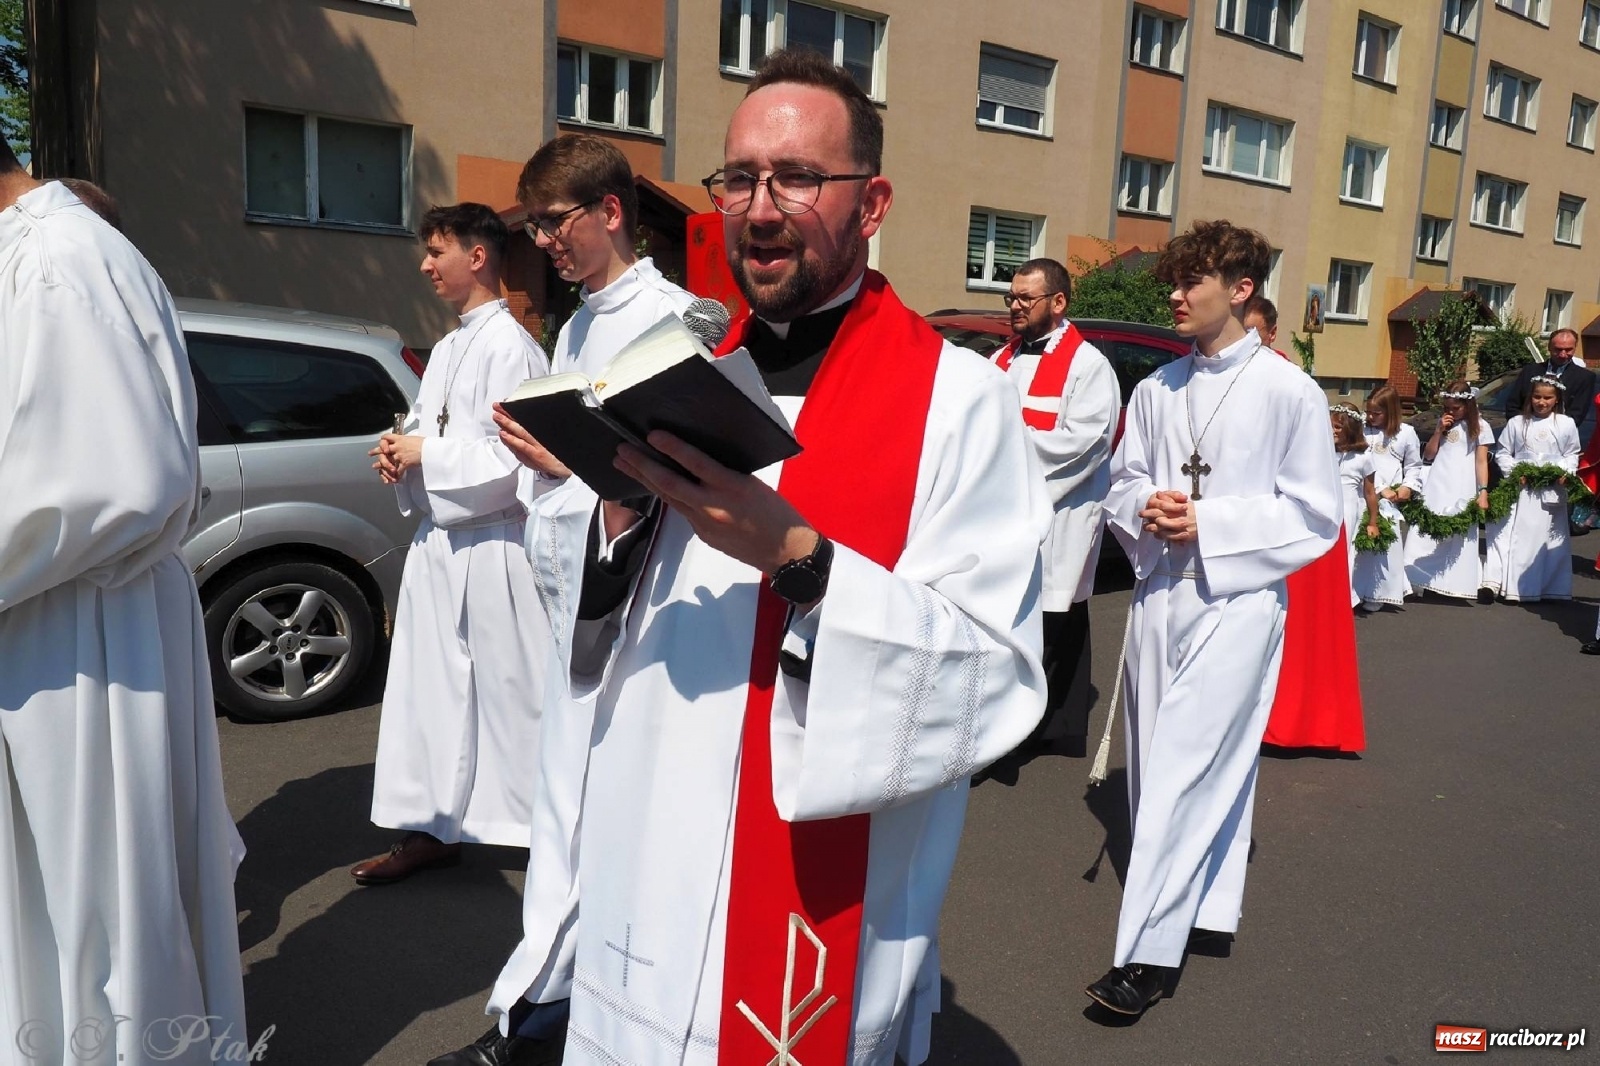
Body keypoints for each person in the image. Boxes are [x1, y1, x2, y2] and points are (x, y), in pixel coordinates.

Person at [487, 49, 1048, 1066]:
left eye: (796, 178)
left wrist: (799, 559)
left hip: (796, 893)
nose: (759, 207)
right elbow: (583, 591)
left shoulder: (958, 404)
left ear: (870, 201)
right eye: (739, 177)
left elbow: (992, 675)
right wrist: (610, 516)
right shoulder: (675, 365)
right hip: (642, 853)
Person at [430, 134, 696, 1066]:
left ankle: (539, 1024)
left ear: (610, 213)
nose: (541, 242)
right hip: (572, 601)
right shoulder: (578, 325)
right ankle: (543, 1014)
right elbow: (572, 475)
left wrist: (563, 465)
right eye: (536, 225)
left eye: (554, 222)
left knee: (607, 832)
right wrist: (550, 470)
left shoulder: (678, 321)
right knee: (567, 825)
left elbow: (675, 487)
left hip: (643, 617)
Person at [0, 144, 246, 1059]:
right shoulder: (33, 252)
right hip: (48, 613)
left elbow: (113, 478)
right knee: (50, 909)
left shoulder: (62, 256)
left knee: (97, 916)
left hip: (80, 633)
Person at [1089, 219, 1340, 1018]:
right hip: (1162, 598)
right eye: (1173, 280)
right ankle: (1202, 906)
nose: (1173, 294)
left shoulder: (1288, 392)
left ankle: (1147, 957)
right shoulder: (1156, 389)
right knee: (1170, 759)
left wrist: (1212, 523)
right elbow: (1119, 481)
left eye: (1189, 281)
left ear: (1239, 290)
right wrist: (1147, 503)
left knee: (1184, 767)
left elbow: (1314, 516)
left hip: (1236, 602)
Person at [353, 204, 552, 885]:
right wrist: (397, 454)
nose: (425, 264)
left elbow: (515, 461)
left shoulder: (514, 348)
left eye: (438, 250)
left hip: (494, 544)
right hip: (440, 543)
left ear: (478, 257)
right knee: (428, 694)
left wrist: (425, 455)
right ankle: (431, 824)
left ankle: (541, 832)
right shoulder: (445, 347)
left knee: (511, 692)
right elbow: (424, 429)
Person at [987, 257, 1120, 758]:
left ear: (1058, 302)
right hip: (1005, 518)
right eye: (1012, 297)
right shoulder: (1001, 359)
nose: (1015, 306)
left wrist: (1005, 461)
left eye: (1026, 298)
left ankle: (1049, 729)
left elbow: (1083, 445)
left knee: (1055, 624)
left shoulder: (1088, 367)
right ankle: (1012, 724)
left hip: (1056, 517)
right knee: (1011, 623)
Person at [1483, 376, 1581, 602]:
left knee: (1548, 537)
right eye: (1537, 396)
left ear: (1556, 400)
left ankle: (1550, 586)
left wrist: (1565, 472)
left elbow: (1571, 453)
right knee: (1520, 535)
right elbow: (1504, 452)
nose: (1542, 402)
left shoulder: (1565, 424)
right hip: (1523, 486)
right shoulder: (1517, 423)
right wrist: (1515, 472)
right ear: (1530, 397)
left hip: (1551, 487)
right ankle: (1516, 587)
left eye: (1548, 398)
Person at [1405, 380, 1495, 601]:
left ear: (1468, 405)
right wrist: (1438, 431)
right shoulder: (1444, 424)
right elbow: (1428, 455)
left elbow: (1482, 461)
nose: (1451, 412)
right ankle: (1418, 578)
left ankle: (1455, 582)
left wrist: (1483, 491)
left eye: (1456, 408)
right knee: (1427, 530)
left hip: (1463, 484)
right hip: (1438, 482)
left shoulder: (1481, 427)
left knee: (1458, 531)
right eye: (1447, 408)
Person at [1332, 405, 1398, 617]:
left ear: (1349, 429)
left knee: (1346, 553)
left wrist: (1373, 521)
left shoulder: (1363, 458)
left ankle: (1342, 598)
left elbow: (1370, 492)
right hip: (1327, 504)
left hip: (1349, 507)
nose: (1332, 431)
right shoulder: (1324, 452)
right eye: (1330, 426)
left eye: (1337, 427)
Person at [1505, 328, 1595, 438]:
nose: (1563, 354)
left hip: (1558, 438)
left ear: (1575, 348)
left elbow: (1576, 415)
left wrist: (1547, 434)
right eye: (1558, 349)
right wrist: (1524, 430)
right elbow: (1513, 406)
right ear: (1549, 347)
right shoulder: (1529, 371)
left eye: (1568, 350)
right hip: (1523, 435)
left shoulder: (1584, 377)